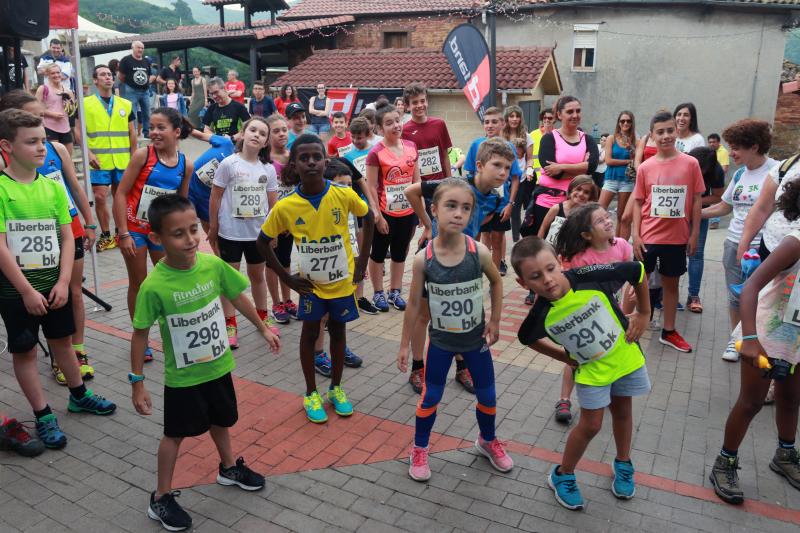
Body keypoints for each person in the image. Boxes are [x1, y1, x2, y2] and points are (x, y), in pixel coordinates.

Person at [130, 194, 279, 532]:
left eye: (193, 229)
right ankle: (161, 496)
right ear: (157, 238)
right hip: (183, 379)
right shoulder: (154, 286)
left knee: (221, 419)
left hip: (217, 366)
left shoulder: (212, 265)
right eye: (178, 233)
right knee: (175, 435)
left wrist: (262, 327)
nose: (190, 239)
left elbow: (236, 295)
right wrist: (137, 382)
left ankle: (228, 469)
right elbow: (139, 334)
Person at [0, 109, 117, 450]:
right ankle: (42, 414)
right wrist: (25, 290)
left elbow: (68, 238)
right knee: (25, 353)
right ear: (7, 146)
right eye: (32, 142)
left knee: (63, 343)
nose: (42, 148)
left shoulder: (51, 187)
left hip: (55, 286)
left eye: (43, 140)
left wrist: (64, 281)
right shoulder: (3, 188)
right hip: (17, 291)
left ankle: (79, 395)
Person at [513, 236, 650, 510]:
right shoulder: (541, 313)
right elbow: (526, 338)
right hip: (591, 372)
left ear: (559, 263)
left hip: (625, 358)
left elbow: (637, 270)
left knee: (623, 412)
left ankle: (623, 463)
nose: (548, 280)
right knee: (591, 425)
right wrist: (564, 357)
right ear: (523, 283)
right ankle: (563, 474)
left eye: (551, 269)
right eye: (536, 277)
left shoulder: (587, 275)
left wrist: (644, 312)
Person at [397, 178, 511, 481]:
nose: (458, 213)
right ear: (433, 210)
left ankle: (487, 440)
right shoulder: (424, 259)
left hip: (476, 343)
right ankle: (419, 448)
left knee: (487, 395)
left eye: (466, 208)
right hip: (441, 344)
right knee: (431, 395)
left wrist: (496, 320)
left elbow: (497, 282)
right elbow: (413, 305)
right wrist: (405, 345)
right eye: (451, 206)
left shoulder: (479, 251)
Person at [257, 134, 375, 423]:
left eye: (316, 157)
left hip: (341, 283)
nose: (311, 162)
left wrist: (362, 261)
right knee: (310, 334)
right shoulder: (287, 206)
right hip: (311, 287)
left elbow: (369, 217)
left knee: (339, 331)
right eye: (304, 157)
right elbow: (262, 241)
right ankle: (311, 392)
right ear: (295, 164)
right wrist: (286, 277)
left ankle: (336, 388)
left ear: (326, 160)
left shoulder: (343, 194)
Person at [0, 90, 99, 385]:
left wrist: (90, 221)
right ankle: (58, 365)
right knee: (33, 330)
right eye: (36, 117)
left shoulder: (58, 149)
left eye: (43, 117)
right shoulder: (7, 164)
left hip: (65, 229)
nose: (43, 121)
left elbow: (74, 186)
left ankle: (76, 353)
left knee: (72, 292)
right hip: (24, 255)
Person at [708, 190, 800, 505]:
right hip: (765, 333)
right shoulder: (796, 241)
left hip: (796, 336)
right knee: (751, 402)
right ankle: (725, 462)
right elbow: (750, 288)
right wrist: (749, 339)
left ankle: (785, 455)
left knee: (790, 398)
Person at [404, 138, 513, 394]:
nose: (503, 172)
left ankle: (462, 368)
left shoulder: (496, 200)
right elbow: (411, 191)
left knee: (463, 314)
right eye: (497, 165)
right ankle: (418, 367)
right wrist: (429, 225)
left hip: (464, 261)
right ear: (479, 165)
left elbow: (475, 227)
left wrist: (469, 252)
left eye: (508, 168)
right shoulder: (454, 186)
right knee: (424, 314)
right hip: (434, 258)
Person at [113, 107, 193, 363]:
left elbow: (182, 204)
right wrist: (123, 232)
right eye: (152, 127)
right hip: (134, 230)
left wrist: (186, 234)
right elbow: (121, 193)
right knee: (139, 283)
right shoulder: (142, 155)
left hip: (160, 234)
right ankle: (142, 338)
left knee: (169, 281)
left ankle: (174, 332)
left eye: (161, 128)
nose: (154, 133)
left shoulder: (185, 164)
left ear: (176, 131)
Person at [550, 203, 636, 426]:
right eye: (600, 220)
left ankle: (606, 392)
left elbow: (633, 270)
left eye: (608, 216)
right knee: (576, 357)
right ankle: (564, 399)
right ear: (587, 235)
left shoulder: (622, 246)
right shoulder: (580, 258)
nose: (608, 221)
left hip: (612, 311)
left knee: (609, 352)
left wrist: (636, 286)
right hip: (584, 315)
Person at [701, 120, 776, 361]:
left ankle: (764, 343)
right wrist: (695, 214)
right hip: (733, 244)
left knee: (765, 298)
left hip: (765, 247)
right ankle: (736, 340)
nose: (730, 152)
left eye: (736, 148)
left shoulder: (777, 172)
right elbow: (725, 206)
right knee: (736, 297)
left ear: (754, 147)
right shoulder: (741, 173)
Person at [631, 110, 705, 353]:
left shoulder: (690, 164)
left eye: (670, 130)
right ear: (652, 136)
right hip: (648, 236)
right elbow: (639, 202)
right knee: (636, 284)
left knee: (671, 286)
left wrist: (693, 235)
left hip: (676, 237)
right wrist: (636, 235)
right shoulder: (645, 167)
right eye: (660, 132)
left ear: (677, 131)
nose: (665, 136)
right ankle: (628, 325)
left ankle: (669, 331)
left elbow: (696, 200)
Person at [208, 117, 280, 349]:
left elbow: (272, 204)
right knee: (230, 281)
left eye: (262, 133)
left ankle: (262, 316)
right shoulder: (229, 164)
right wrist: (213, 227)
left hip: (257, 235)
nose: (256, 135)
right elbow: (215, 197)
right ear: (243, 132)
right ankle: (230, 323)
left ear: (265, 141)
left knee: (257, 277)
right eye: (253, 130)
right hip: (230, 233)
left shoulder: (267, 169)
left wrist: (273, 231)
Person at [365, 103, 420, 313]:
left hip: (407, 211)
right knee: (378, 253)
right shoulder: (376, 153)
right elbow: (370, 186)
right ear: (380, 129)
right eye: (389, 123)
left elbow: (417, 181)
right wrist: (377, 216)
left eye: (398, 120)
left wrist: (419, 212)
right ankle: (378, 292)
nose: (396, 125)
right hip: (384, 212)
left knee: (400, 253)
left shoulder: (412, 147)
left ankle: (394, 291)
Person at [80, 65, 137, 253]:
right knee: (99, 196)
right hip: (99, 160)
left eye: (110, 74)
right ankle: (105, 235)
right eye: (103, 75)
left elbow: (132, 133)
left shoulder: (125, 104)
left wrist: (135, 157)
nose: (108, 77)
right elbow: (78, 131)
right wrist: (88, 153)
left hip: (122, 160)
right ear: (95, 80)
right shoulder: (85, 103)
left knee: (122, 197)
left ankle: (121, 231)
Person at [528, 96, 599, 237]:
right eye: (570, 112)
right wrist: (581, 169)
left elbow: (592, 167)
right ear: (559, 115)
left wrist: (562, 166)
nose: (575, 115)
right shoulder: (549, 138)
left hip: (578, 203)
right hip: (548, 202)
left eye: (578, 111)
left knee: (573, 248)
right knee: (547, 247)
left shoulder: (588, 139)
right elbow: (552, 172)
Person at [464, 107, 523, 274]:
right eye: (486, 122)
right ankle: (472, 272)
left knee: (497, 239)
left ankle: (494, 277)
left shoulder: (509, 146)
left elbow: (516, 177)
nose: (490, 125)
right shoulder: (476, 144)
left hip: (501, 204)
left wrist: (510, 203)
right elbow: (470, 173)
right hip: (479, 203)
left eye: (494, 122)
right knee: (474, 239)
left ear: (502, 124)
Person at [685, 146, 725, 313]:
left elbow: (718, 196)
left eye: (701, 170)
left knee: (696, 253)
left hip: (699, 214)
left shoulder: (716, 170)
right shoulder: (682, 163)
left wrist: (695, 204)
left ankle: (694, 295)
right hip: (673, 213)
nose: (697, 172)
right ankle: (661, 293)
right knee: (669, 252)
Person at [401, 83, 453, 185]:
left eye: (422, 101)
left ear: (427, 102)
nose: (420, 105)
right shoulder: (404, 131)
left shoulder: (439, 124)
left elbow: (445, 155)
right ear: (407, 106)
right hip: (418, 186)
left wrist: (449, 181)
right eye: (415, 102)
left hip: (440, 183)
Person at [186, 129, 235, 236]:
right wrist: (181, 124)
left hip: (207, 199)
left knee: (212, 236)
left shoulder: (244, 162)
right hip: (188, 188)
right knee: (186, 228)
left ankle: (218, 253)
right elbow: (200, 135)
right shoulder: (225, 143)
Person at [598, 111, 636, 240]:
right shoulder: (611, 138)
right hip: (611, 179)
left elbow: (636, 160)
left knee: (621, 216)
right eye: (622, 121)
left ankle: (619, 245)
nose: (625, 123)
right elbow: (608, 161)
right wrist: (627, 162)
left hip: (627, 181)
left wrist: (630, 147)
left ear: (632, 123)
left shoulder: (636, 139)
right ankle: (600, 240)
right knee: (598, 210)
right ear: (618, 123)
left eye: (628, 121)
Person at [502, 106, 534, 243]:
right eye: (511, 116)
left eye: (517, 116)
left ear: (521, 118)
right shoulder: (500, 135)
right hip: (502, 179)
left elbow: (530, 158)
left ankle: (516, 241)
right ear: (506, 118)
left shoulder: (527, 136)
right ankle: (499, 238)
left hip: (520, 179)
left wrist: (529, 170)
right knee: (500, 210)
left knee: (515, 212)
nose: (514, 119)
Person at [537, 175, 597, 247]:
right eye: (578, 189)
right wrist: (540, 249)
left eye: (586, 192)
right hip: (550, 252)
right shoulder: (557, 208)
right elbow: (543, 228)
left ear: (590, 197)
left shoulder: (586, 215)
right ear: (571, 189)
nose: (581, 194)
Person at [36, 63, 75, 155]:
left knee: (68, 157)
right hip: (49, 127)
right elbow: (35, 109)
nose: (56, 75)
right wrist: (52, 114)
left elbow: (72, 110)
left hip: (65, 127)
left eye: (58, 72)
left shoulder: (68, 91)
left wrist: (69, 105)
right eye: (53, 73)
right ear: (48, 75)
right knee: (54, 157)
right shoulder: (43, 89)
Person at [118, 41, 155, 137]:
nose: (140, 50)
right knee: (132, 113)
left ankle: (147, 133)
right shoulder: (126, 60)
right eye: (138, 47)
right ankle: (132, 133)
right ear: (132, 48)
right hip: (131, 91)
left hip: (145, 91)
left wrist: (147, 82)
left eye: (142, 48)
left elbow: (149, 74)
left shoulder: (146, 61)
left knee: (147, 112)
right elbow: (121, 76)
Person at [707, 133, 730, 230]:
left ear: (718, 142)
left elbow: (724, 168)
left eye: (714, 142)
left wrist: (714, 174)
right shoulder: (708, 152)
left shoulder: (723, 152)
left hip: (717, 180)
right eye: (710, 142)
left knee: (716, 200)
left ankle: (714, 221)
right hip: (709, 179)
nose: (712, 144)